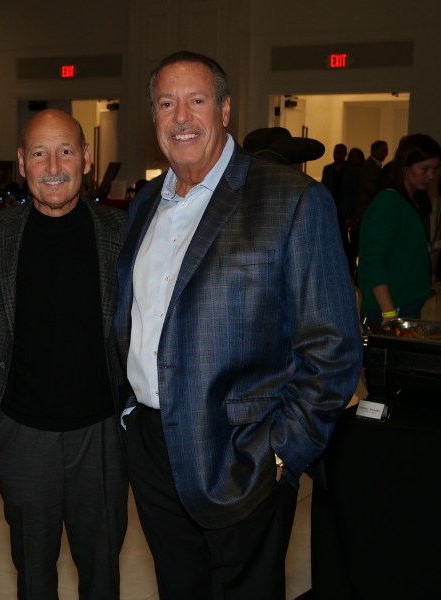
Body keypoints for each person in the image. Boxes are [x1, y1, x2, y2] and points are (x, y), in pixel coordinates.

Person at [114, 51, 361, 599]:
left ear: (224, 109)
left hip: (243, 453)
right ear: (153, 117)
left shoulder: (293, 199)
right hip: (152, 448)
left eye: (196, 100)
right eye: (166, 103)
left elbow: (333, 347)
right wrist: (131, 420)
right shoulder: (146, 202)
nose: (181, 117)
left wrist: (281, 451)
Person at [0, 109, 129, 600]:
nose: (53, 166)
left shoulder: (122, 234)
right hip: (23, 436)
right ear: (21, 162)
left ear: (87, 158)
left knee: (102, 573)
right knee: (33, 576)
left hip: (102, 436)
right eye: (39, 153)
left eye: (65, 151)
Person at [358, 134, 441, 324]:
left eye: (434, 169)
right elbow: (373, 260)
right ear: (405, 166)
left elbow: (403, 249)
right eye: (424, 169)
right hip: (390, 308)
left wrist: (434, 245)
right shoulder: (388, 202)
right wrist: (389, 313)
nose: (431, 176)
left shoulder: (407, 200)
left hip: (405, 303)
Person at [321, 143, 360, 274]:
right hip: (330, 208)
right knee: (332, 237)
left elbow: (356, 194)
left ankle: (349, 265)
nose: (337, 156)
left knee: (345, 239)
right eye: (335, 153)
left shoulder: (352, 171)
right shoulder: (328, 169)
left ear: (345, 154)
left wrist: (354, 214)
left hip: (345, 210)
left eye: (339, 153)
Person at [357, 140, 388, 220]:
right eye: (384, 150)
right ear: (376, 151)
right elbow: (369, 188)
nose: (386, 153)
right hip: (369, 207)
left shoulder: (372, 165)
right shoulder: (369, 166)